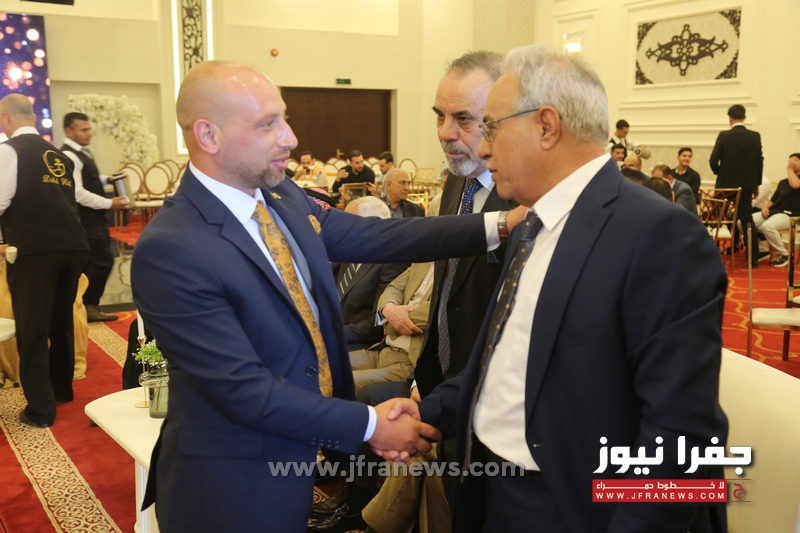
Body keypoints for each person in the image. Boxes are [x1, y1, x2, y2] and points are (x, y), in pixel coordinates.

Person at [130, 60, 519, 533]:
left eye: (285, 118)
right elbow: (244, 390)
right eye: (268, 124)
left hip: (292, 467)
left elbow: (381, 237)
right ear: (208, 135)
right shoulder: (172, 247)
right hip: (229, 486)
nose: (290, 138)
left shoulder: (281, 196)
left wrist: (502, 224)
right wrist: (372, 425)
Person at [400, 44, 728, 533]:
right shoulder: (531, 224)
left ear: (547, 126)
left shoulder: (659, 234)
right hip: (495, 491)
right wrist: (426, 411)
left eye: (492, 128)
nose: (484, 149)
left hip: (576, 509)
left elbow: (682, 436)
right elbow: (507, 366)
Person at [362, 49, 516, 533]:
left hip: (495, 409)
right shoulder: (457, 183)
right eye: (440, 116)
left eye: (463, 118)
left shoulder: (523, 199)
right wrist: (425, 379)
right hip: (444, 390)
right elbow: (447, 293)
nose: (445, 133)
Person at [0, 94, 89, 428]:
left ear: (5, 117)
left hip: (36, 250)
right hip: (73, 247)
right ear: (33, 118)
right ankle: (61, 388)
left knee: (32, 328)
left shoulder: (9, 151)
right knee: (60, 321)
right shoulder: (59, 155)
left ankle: (40, 410)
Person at [60, 112, 130, 322]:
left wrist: (107, 179)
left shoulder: (80, 152)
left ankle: (84, 306)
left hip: (93, 219)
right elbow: (77, 192)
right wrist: (110, 203)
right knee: (102, 260)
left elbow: (87, 177)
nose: (89, 133)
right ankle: (88, 305)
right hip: (86, 219)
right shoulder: (70, 155)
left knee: (95, 261)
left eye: (89, 129)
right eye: (83, 130)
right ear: (68, 131)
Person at [335, 196, 407, 350]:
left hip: (358, 343)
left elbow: (377, 323)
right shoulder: (349, 250)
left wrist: (332, 333)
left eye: (348, 220)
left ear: (370, 225)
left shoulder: (391, 260)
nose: (342, 226)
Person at [710, 104, 763, 267]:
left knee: (717, 217)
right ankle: (753, 258)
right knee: (747, 219)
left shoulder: (724, 136)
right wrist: (756, 184)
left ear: (730, 118)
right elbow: (759, 161)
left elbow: (713, 160)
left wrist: (720, 173)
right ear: (744, 118)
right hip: (746, 186)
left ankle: (712, 253)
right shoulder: (755, 136)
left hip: (725, 186)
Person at [752, 154, 800, 267]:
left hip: (792, 216)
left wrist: (789, 169)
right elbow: (773, 199)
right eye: (789, 161)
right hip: (775, 212)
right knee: (744, 222)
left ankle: (783, 254)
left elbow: (795, 185)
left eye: (795, 160)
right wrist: (765, 207)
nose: (791, 163)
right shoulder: (783, 182)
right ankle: (761, 249)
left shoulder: (795, 181)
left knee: (767, 226)